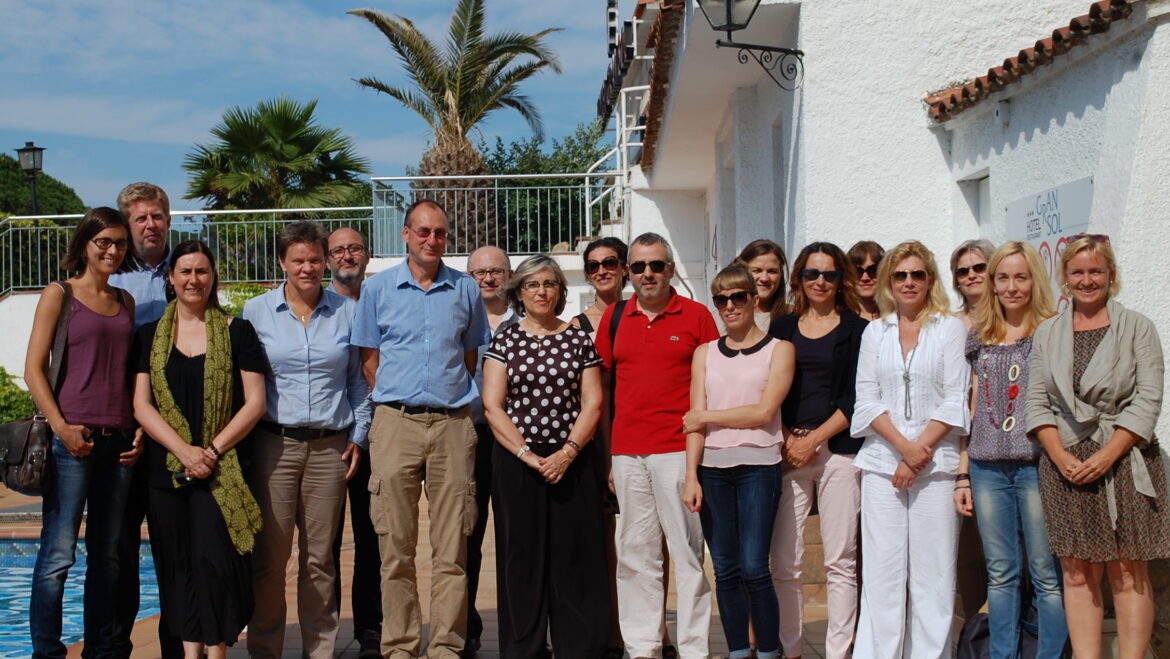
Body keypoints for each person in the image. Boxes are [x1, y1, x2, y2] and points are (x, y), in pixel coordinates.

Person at [351, 199, 490, 658]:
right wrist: (400, 395)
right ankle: (401, 646)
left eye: (441, 233)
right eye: (424, 231)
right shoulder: (378, 290)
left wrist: (446, 396)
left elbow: (471, 357)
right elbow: (369, 358)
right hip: (394, 424)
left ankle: (447, 646)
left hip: (452, 425)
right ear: (406, 235)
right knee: (395, 547)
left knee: (453, 547)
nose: (433, 240)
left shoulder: (465, 290)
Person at [1026, 234, 1168, 659]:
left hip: (1126, 461)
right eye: (1078, 272)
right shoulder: (1048, 332)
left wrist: (1106, 456)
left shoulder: (1138, 326)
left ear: (1110, 275)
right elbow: (1036, 402)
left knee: (1128, 571)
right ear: (1064, 278)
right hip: (1064, 464)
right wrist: (1061, 456)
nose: (1087, 280)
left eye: (1096, 271)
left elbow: (1148, 399)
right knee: (1077, 571)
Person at [131, 239, 267, 658]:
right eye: (185, 271)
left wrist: (210, 451)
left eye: (202, 271)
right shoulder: (149, 335)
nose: (194, 279)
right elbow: (141, 403)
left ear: (213, 278)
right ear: (170, 278)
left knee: (216, 564)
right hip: (166, 472)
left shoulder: (237, 331)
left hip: (221, 469)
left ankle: (218, 651)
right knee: (178, 566)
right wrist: (185, 451)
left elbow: (255, 402)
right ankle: (191, 654)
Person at [241, 221, 370, 658]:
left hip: (330, 447)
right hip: (274, 446)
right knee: (270, 560)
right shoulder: (256, 313)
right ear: (282, 262)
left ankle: (319, 651)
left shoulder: (348, 312)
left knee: (320, 560)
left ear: (326, 260)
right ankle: (265, 650)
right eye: (298, 259)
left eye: (316, 259)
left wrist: (359, 435)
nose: (308, 267)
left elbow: (358, 382)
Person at [594, 232, 718, 659]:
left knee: (686, 555)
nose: (649, 274)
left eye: (657, 265)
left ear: (670, 269)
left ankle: (694, 648)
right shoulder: (615, 317)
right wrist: (610, 456)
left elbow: (710, 390)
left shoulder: (698, 316)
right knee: (635, 555)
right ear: (629, 272)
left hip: (678, 452)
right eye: (640, 266)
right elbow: (604, 390)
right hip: (628, 453)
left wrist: (696, 463)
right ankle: (643, 646)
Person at [482, 254, 610, 657]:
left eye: (550, 284)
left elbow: (592, 402)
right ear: (519, 292)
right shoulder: (505, 338)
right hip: (518, 462)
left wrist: (567, 453)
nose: (542, 292)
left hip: (572, 460)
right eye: (533, 285)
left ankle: (578, 647)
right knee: (522, 558)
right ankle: (525, 647)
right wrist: (527, 455)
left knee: (575, 557)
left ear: (560, 291)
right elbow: (492, 405)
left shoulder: (577, 338)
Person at [26, 207, 139, 658]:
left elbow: (131, 375)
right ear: (86, 244)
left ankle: (99, 650)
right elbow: (34, 369)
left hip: (119, 442)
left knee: (107, 557)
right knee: (58, 556)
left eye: (120, 244)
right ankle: (48, 653)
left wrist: (139, 430)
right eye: (104, 242)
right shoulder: (59, 294)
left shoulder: (125, 301)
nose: (112, 250)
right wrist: (61, 427)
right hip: (71, 439)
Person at [850, 239, 970, 658]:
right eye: (900, 274)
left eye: (917, 274)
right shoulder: (874, 331)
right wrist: (904, 449)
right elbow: (865, 400)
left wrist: (919, 453)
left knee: (933, 577)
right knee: (881, 576)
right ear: (888, 281)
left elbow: (956, 398)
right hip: (884, 466)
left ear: (930, 280)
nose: (908, 282)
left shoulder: (949, 328)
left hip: (935, 470)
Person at [953, 241, 1065, 659]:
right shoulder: (979, 335)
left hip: (1036, 468)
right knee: (1000, 574)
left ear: (1034, 279)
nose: (1012, 286)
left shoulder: (1052, 331)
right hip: (985, 469)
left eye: (1021, 277)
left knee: (1046, 575)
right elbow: (974, 406)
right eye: (1003, 278)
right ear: (993, 283)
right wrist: (964, 472)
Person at [681, 264, 794, 659]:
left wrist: (707, 418)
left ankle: (767, 651)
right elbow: (694, 421)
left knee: (754, 567)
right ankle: (736, 651)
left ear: (753, 298)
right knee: (725, 569)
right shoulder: (704, 353)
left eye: (737, 297)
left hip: (758, 468)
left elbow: (764, 413)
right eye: (721, 299)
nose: (729, 306)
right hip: (712, 470)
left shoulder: (779, 349)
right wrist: (691, 474)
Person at [768, 243, 868, 659]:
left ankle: (839, 651)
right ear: (800, 279)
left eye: (829, 274)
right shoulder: (782, 328)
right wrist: (791, 438)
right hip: (789, 452)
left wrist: (816, 440)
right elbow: (768, 390)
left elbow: (858, 396)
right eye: (812, 274)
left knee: (841, 561)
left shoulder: (859, 330)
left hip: (839, 453)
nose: (821, 282)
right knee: (785, 563)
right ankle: (791, 649)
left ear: (840, 279)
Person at [109, 181, 179, 659]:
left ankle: (178, 644)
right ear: (127, 223)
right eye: (140, 218)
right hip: (125, 429)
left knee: (174, 547)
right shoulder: (111, 274)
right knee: (118, 548)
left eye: (156, 216)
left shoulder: (189, 267)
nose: (150, 225)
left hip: (177, 432)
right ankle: (114, 645)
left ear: (168, 220)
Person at [571, 237, 635, 658]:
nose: (601, 271)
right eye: (593, 266)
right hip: (592, 442)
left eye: (609, 262)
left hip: (635, 434)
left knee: (647, 540)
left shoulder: (642, 312)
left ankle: (653, 631)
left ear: (625, 267)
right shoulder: (577, 325)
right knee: (602, 541)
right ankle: (612, 630)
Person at [324, 226, 383, 659]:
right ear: (329, 259)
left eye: (354, 248)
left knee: (371, 538)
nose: (347, 255)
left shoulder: (382, 300)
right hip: (326, 442)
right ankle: (323, 632)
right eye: (339, 250)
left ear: (367, 254)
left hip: (377, 437)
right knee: (323, 543)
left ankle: (370, 628)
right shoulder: (318, 305)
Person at [465, 244, 518, 657]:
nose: (488, 278)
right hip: (469, 437)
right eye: (480, 272)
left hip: (518, 443)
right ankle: (466, 628)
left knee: (518, 538)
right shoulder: (459, 319)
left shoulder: (527, 322)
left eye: (496, 271)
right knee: (465, 537)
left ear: (509, 275)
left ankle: (521, 630)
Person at [738, 238, 790, 327]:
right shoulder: (722, 319)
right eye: (757, 271)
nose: (764, 278)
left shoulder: (795, 317)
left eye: (772, 271)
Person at [950, 239, 995, 329]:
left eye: (979, 268)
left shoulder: (1011, 319)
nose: (971, 275)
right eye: (963, 271)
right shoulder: (950, 324)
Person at [847, 240, 884, 322]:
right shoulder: (839, 317)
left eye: (872, 270)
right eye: (858, 271)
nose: (865, 278)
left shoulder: (896, 316)